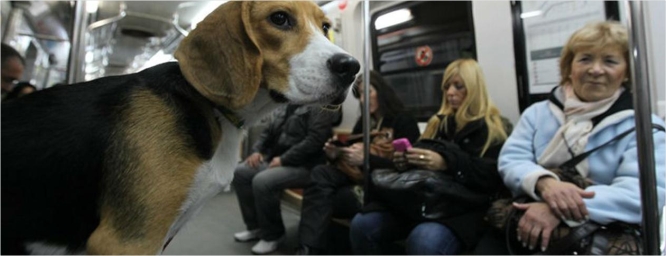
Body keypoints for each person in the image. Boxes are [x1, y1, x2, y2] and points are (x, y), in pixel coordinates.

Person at [488, 21, 665, 253]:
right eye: (585, 59)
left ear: (626, 72)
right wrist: (545, 184)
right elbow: (511, 159)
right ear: (569, 67)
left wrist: (560, 208)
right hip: (527, 215)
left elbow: (643, 192)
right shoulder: (537, 113)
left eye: (610, 61)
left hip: (600, 232)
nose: (596, 70)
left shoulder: (643, 125)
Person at [349, 59, 511, 255]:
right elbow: (419, 165)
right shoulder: (437, 123)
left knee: (424, 240)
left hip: (463, 209)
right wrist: (404, 161)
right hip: (423, 201)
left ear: (474, 88)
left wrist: (446, 163)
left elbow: (490, 177)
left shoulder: (493, 127)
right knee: (362, 224)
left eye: (458, 86)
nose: (450, 92)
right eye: (447, 87)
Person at [295, 70, 421, 255]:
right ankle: (308, 249)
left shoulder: (403, 120)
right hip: (357, 175)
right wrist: (336, 153)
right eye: (360, 94)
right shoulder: (364, 121)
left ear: (381, 91)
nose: (363, 99)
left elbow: (407, 167)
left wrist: (368, 160)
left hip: (383, 182)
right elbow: (351, 150)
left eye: (367, 92)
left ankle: (318, 247)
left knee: (324, 200)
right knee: (320, 173)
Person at [232, 104, 337, 255]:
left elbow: (315, 140)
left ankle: (274, 234)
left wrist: (283, 160)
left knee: (263, 181)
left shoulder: (320, 107)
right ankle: (256, 228)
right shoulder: (285, 105)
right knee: (241, 172)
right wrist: (257, 151)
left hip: (305, 166)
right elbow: (267, 133)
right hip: (276, 159)